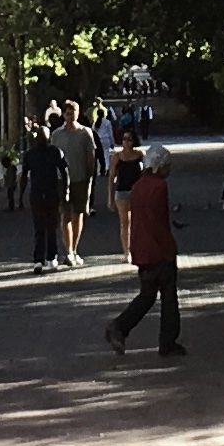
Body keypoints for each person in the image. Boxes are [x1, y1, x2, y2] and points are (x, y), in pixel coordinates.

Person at [106, 137, 184, 359]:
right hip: (158, 250)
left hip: (141, 248)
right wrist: (169, 248)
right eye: (167, 166)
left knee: (147, 295)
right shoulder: (159, 186)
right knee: (168, 297)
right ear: (160, 166)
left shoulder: (138, 186)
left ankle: (120, 326)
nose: (169, 170)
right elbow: (158, 221)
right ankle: (167, 341)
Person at [58, 104, 104, 268]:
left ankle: (75, 249)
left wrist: (90, 178)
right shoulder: (56, 135)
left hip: (80, 179)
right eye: (67, 113)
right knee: (65, 215)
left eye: (73, 113)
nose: (70, 116)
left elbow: (91, 157)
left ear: (78, 114)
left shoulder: (85, 133)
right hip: (62, 181)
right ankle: (69, 251)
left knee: (78, 214)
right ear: (63, 115)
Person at [20, 115, 67, 269]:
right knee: (40, 227)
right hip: (38, 194)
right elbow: (24, 175)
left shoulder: (55, 152)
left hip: (50, 193)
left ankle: (51, 256)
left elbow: (64, 172)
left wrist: (65, 191)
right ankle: (39, 258)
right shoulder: (31, 154)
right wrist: (20, 195)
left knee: (51, 227)